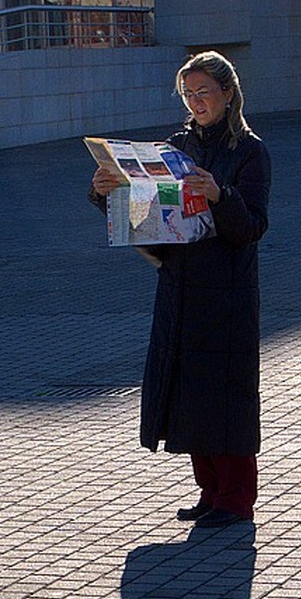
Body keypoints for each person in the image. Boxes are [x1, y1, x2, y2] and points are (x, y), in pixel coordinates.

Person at [90, 51, 271, 528]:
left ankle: (236, 498)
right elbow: (145, 218)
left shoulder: (249, 151)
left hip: (227, 292)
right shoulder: (175, 147)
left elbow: (252, 226)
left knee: (224, 395)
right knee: (189, 393)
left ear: (228, 94)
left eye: (203, 93)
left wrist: (220, 194)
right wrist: (107, 191)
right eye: (188, 95)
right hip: (180, 285)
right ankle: (210, 492)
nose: (195, 103)